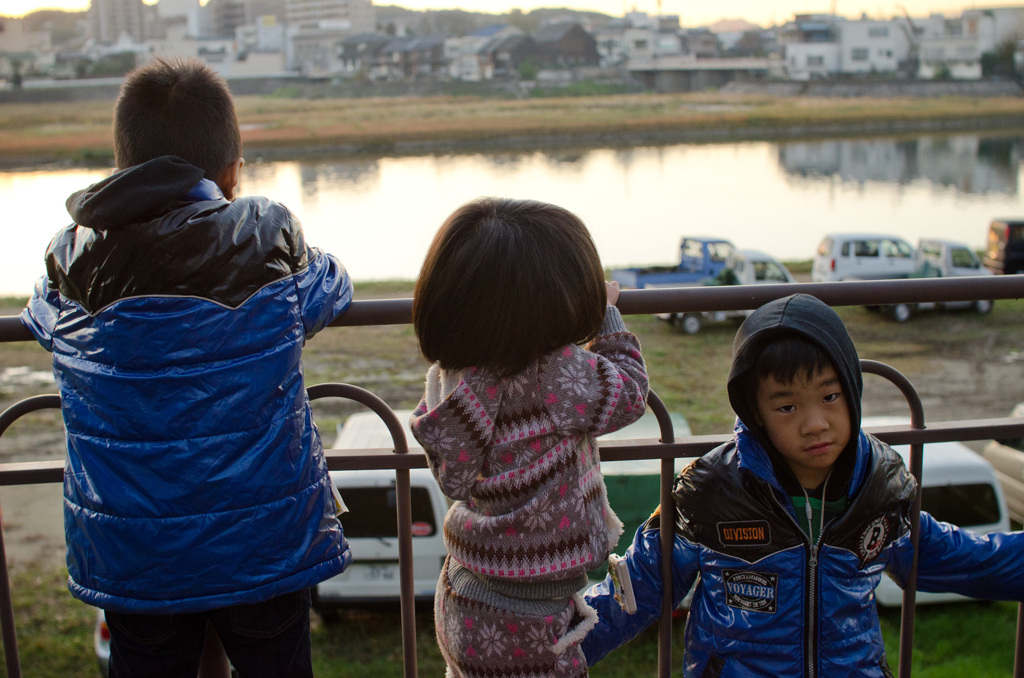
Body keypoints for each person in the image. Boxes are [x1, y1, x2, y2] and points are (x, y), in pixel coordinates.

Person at [19, 57, 352, 678]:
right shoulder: (266, 232)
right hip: (263, 546)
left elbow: (42, 319)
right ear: (232, 171)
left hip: (136, 554)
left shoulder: (72, 256)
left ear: (122, 164)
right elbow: (330, 287)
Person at [582, 292, 1024, 678]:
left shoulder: (879, 486)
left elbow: (964, 559)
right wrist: (541, 654)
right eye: (787, 406)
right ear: (755, 413)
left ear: (852, 392)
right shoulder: (709, 492)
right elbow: (637, 590)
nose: (815, 424)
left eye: (830, 397)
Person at [408, 197, 650, 678]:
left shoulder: (451, 379)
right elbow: (630, 391)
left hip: (464, 591)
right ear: (556, 302)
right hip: (532, 616)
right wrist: (606, 317)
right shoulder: (557, 374)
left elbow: (450, 468)